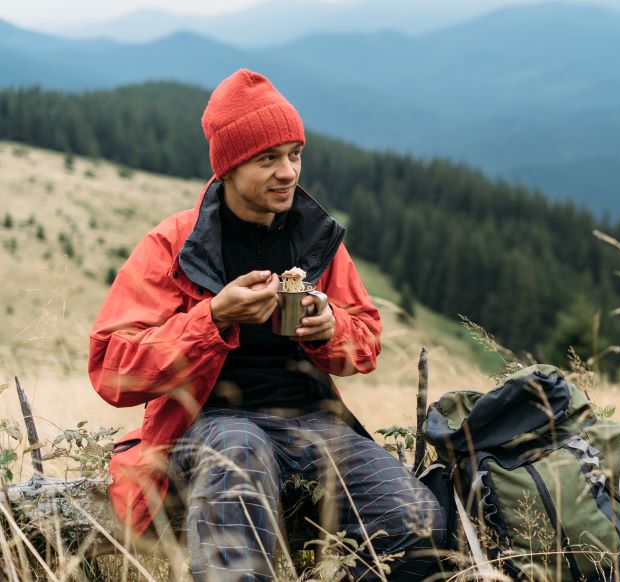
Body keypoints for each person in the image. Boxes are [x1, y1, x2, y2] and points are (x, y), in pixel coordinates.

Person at [89, 69, 444, 581]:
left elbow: (364, 343)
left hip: (313, 424)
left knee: (419, 528)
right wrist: (211, 319)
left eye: (295, 154)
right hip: (213, 424)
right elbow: (111, 369)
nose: (288, 173)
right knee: (240, 453)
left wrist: (330, 328)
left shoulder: (315, 239)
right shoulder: (174, 246)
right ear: (229, 168)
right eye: (268, 159)